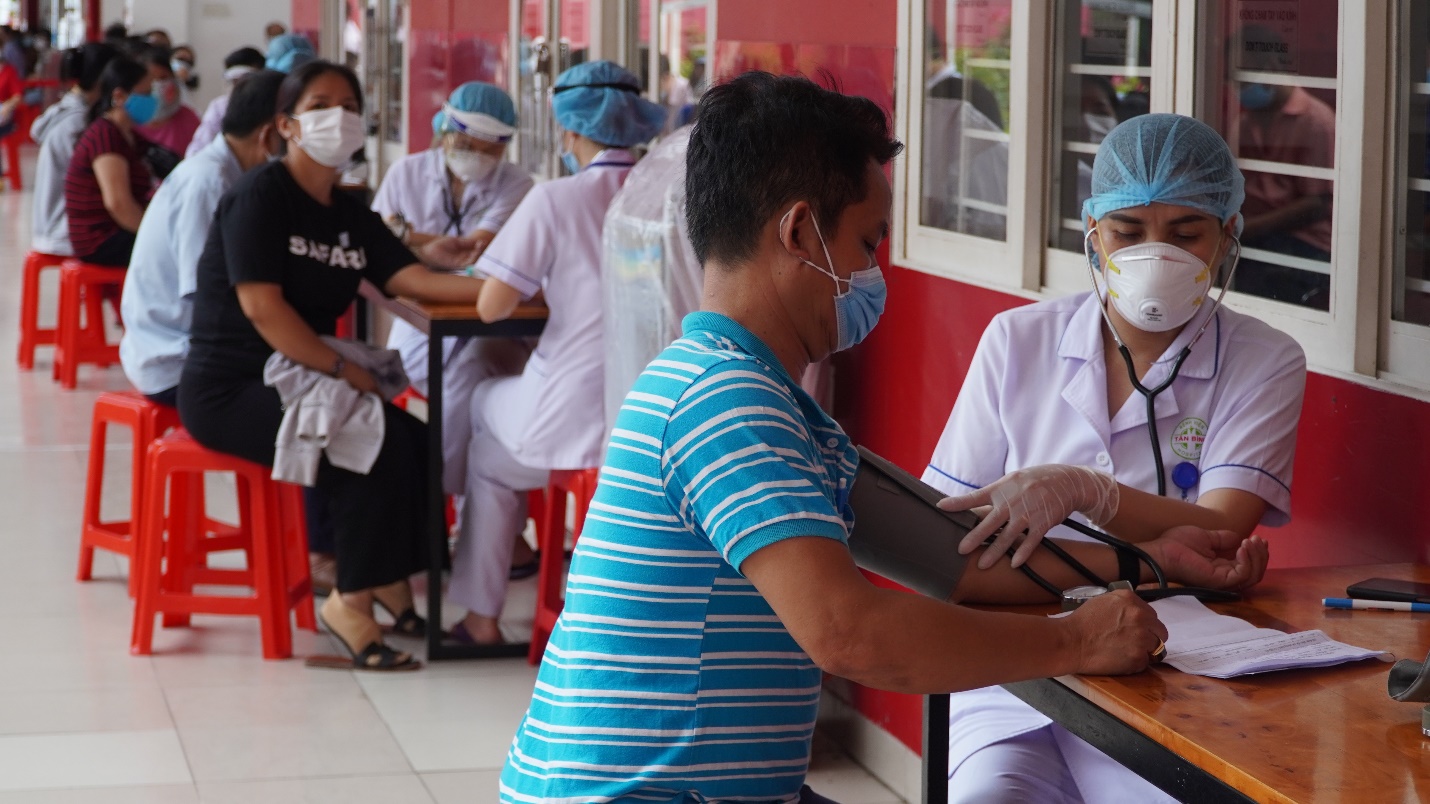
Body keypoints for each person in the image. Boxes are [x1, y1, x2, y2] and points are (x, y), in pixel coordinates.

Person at [498, 72, 1267, 802]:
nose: (874, 274)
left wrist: (1151, 560)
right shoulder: (725, 401)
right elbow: (851, 635)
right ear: (800, 232)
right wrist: (1075, 642)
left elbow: (953, 558)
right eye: (868, 245)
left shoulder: (765, 401)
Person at [923, 113, 1306, 804]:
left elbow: (1221, 531)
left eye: (1187, 233)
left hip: (1169, 672)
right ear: (1092, 232)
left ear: (1228, 235)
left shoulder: (1265, 359)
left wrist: (1087, 492)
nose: (1156, 255)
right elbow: (943, 545)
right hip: (1013, 674)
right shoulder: (1016, 340)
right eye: (1129, 232)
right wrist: (1157, 551)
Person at [177, 60, 487, 670]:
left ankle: (387, 581)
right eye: (320, 105)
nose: (337, 118)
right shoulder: (259, 197)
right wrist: (344, 372)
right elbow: (262, 308)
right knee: (368, 441)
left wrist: (505, 287)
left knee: (414, 439)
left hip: (300, 378)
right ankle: (350, 604)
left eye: (349, 106)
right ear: (287, 125)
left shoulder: (350, 216)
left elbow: (415, 279)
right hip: (230, 386)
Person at [445, 60, 665, 646]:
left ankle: (481, 617)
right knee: (501, 418)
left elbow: (492, 306)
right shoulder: (673, 198)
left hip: (568, 415)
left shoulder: (556, 198)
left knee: (484, 422)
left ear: (569, 132)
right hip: (652, 422)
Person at [374, 81, 534, 505]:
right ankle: (456, 505)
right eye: (466, 145)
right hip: (422, 320)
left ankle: (444, 502)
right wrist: (423, 245)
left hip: (489, 321)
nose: (476, 157)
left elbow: (477, 247)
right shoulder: (406, 174)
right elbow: (374, 243)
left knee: (468, 379)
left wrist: (408, 238)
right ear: (443, 131)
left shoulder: (516, 183)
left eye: (488, 150)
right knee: (446, 379)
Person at [120, 70, 284, 407]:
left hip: (189, 344)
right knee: (313, 400)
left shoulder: (231, 175)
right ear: (270, 134)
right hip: (176, 361)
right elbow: (207, 293)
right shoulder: (209, 183)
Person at [1232, 26, 1336, 309]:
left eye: (1245, 77)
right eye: (1235, 81)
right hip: (1254, 235)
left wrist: (1248, 228)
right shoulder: (1245, 123)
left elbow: (1317, 204)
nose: (1240, 89)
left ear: (1272, 66)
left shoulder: (1316, 121)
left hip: (1304, 244)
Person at [63, 56, 157, 267]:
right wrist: (154, 235)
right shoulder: (105, 136)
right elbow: (118, 204)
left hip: (118, 231)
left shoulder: (130, 136)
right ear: (119, 96)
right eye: (146, 94)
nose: (152, 100)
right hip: (101, 239)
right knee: (178, 253)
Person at [30, 43, 120, 256]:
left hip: (51, 224)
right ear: (102, 79)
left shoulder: (63, 112)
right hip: (66, 229)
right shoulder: (78, 123)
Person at [187, 46, 266, 157]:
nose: (238, 88)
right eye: (233, 82)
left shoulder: (272, 105)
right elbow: (198, 148)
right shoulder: (220, 107)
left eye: (245, 81)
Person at [133, 45, 200, 156]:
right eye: (151, 80)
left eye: (163, 78)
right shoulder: (129, 122)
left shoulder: (189, 119)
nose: (158, 86)